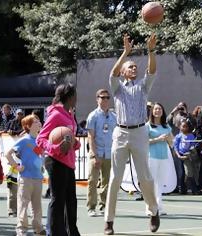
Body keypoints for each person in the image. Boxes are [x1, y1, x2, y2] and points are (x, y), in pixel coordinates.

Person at [104, 33, 160, 235]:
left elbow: (152, 71)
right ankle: (109, 221)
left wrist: (151, 51)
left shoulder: (143, 86)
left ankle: (153, 211)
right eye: (130, 66)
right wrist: (125, 52)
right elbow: (112, 74)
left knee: (145, 177)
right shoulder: (117, 87)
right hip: (120, 133)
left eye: (135, 66)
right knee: (115, 178)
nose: (134, 68)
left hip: (139, 132)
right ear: (124, 71)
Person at [36, 83, 81, 236]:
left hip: (68, 162)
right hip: (55, 161)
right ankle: (55, 232)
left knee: (71, 200)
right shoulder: (55, 114)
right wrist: (55, 148)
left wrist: (75, 143)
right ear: (69, 96)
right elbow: (40, 139)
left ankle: (71, 231)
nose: (77, 98)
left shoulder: (70, 114)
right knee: (58, 199)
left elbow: (69, 137)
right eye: (75, 94)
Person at [5, 114, 46, 236]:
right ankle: (21, 230)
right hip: (25, 178)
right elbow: (8, 154)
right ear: (28, 126)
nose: (39, 122)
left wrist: (41, 166)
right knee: (23, 204)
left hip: (38, 178)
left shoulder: (38, 140)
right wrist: (16, 167)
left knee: (37, 206)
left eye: (39, 120)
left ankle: (38, 228)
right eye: (35, 121)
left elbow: (38, 155)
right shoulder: (24, 140)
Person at [86, 89, 116, 217]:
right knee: (92, 181)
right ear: (97, 99)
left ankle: (103, 206)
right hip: (96, 152)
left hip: (109, 153)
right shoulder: (93, 115)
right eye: (102, 97)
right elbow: (90, 137)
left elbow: (117, 136)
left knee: (107, 181)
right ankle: (91, 207)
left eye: (107, 97)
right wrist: (95, 155)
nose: (105, 100)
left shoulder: (114, 116)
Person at [147, 102, 174, 215]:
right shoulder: (147, 126)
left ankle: (159, 207)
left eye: (160, 109)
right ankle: (150, 208)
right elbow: (144, 142)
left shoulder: (166, 127)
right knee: (151, 183)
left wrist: (168, 139)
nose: (158, 111)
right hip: (151, 157)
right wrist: (157, 139)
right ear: (152, 111)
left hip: (163, 157)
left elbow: (171, 143)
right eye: (156, 109)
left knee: (159, 183)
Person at [174, 119, 200, 195]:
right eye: (183, 126)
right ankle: (182, 189)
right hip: (179, 156)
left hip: (187, 156)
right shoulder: (178, 136)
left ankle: (194, 189)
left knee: (189, 173)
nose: (184, 128)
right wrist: (178, 155)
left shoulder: (191, 136)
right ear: (180, 127)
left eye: (186, 126)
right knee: (181, 173)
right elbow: (175, 147)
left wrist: (189, 154)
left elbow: (192, 146)